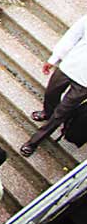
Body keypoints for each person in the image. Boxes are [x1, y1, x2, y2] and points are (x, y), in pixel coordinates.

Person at [21, 14, 87, 157]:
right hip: (69, 66)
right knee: (51, 93)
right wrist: (54, 58)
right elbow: (72, 35)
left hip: (84, 83)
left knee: (61, 113)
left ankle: (34, 141)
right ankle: (47, 112)